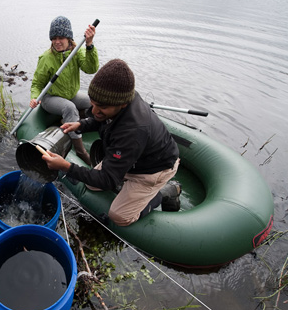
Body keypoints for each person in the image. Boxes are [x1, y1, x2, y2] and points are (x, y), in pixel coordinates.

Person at [41, 59, 182, 226]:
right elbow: (101, 119)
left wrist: (65, 166)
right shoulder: (119, 100)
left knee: (119, 217)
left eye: (101, 107)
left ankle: (165, 192)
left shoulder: (133, 130)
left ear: (122, 104)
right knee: (91, 184)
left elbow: (107, 179)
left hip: (154, 169)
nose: (93, 111)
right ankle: (126, 185)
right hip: (133, 160)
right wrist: (81, 124)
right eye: (92, 103)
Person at [30, 16, 99, 166]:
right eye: (54, 38)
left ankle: (72, 122)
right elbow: (37, 83)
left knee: (93, 101)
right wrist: (35, 97)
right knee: (69, 108)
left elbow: (91, 68)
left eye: (61, 37)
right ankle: (81, 151)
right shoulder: (46, 58)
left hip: (71, 95)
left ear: (69, 38)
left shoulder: (77, 52)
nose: (57, 41)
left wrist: (89, 45)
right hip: (51, 98)